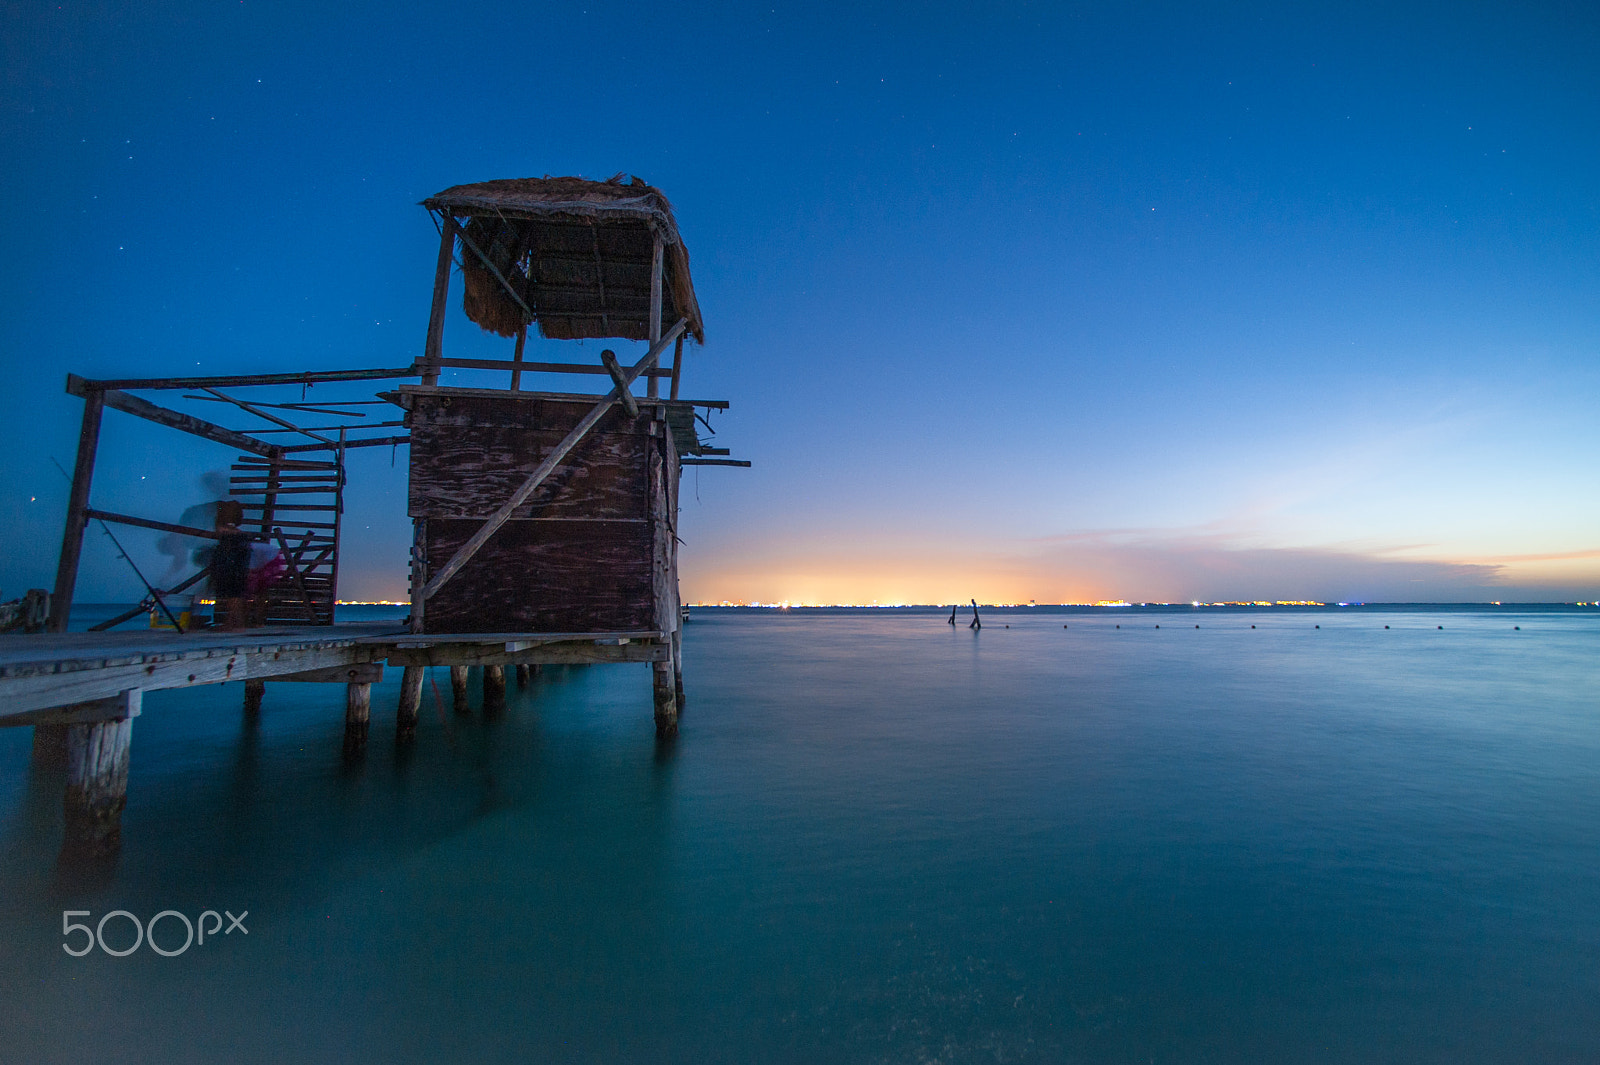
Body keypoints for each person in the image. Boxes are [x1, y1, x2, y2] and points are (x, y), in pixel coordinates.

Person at [209, 500, 253, 629]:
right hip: (236, 564)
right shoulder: (235, 532)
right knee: (234, 595)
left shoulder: (228, 532)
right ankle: (235, 623)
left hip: (232, 565)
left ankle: (233, 623)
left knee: (233, 595)